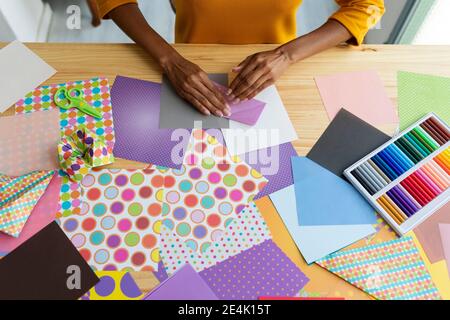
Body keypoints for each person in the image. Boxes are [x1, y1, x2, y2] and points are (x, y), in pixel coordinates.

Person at [96, 0, 384, 117]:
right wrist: (169, 60)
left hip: (275, 67)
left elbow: (369, 5)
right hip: (190, 60)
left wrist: (286, 54)